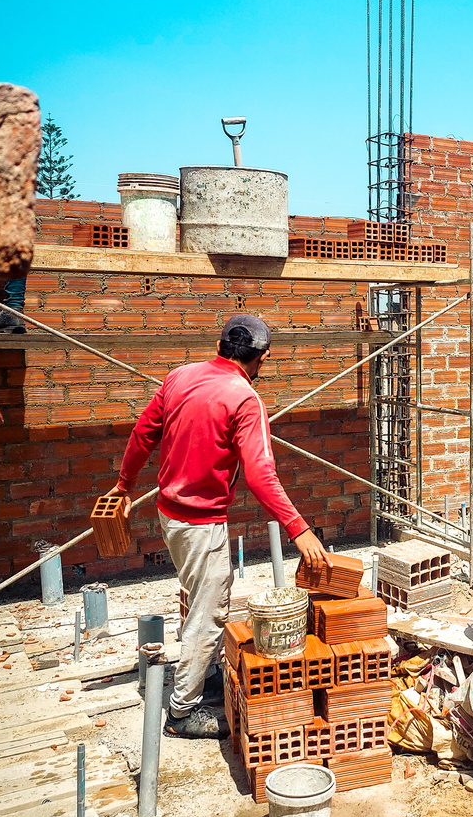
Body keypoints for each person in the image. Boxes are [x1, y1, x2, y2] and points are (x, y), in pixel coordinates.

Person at [108, 314, 328, 738]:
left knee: (200, 593)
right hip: (200, 520)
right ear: (262, 358)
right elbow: (261, 475)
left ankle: (201, 669)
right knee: (210, 613)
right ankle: (181, 711)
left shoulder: (180, 376)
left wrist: (124, 485)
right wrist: (298, 528)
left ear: (220, 343)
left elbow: (142, 435)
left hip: (169, 514)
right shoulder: (243, 398)